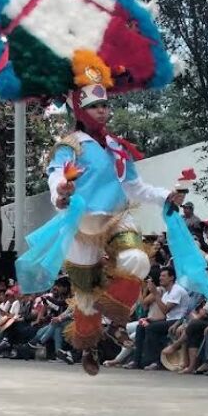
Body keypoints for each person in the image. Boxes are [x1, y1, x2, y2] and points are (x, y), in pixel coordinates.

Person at [35, 80, 184, 375]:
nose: (102, 111)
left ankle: (116, 321)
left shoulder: (117, 146)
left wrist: (166, 195)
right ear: (80, 109)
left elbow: (135, 187)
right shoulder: (69, 145)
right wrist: (60, 192)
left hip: (116, 216)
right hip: (80, 223)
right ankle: (89, 346)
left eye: (104, 105)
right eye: (94, 106)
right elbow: (55, 178)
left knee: (138, 259)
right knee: (86, 295)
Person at [129, 266, 190, 370]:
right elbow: (163, 314)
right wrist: (151, 319)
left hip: (179, 321)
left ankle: (154, 361)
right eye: (160, 276)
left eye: (163, 276)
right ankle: (136, 361)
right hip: (168, 320)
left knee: (152, 328)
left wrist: (155, 294)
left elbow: (166, 310)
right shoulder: (167, 293)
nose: (160, 278)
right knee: (141, 326)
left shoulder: (177, 290)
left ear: (171, 278)